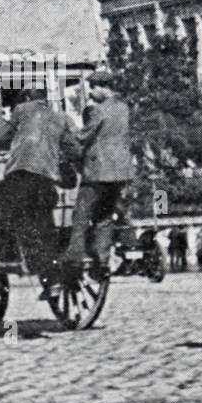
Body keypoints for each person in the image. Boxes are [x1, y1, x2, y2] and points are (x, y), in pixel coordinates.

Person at [0, 88, 80, 298]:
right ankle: (51, 279)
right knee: (41, 225)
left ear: (27, 98)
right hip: (46, 185)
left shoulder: (21, 109)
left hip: (21, 179)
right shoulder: (60, 117)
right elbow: (74, 150)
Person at [63, 70, 133, 273]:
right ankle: (102, 259)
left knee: (81, 214)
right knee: (105, 215)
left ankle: (75, 254)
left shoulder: (98, 111)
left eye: (94, 88)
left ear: (104, 88)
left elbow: (82, 138)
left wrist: (67, 136)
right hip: (119, 172)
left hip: (97, 171)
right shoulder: (123, 108)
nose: (92, 93)